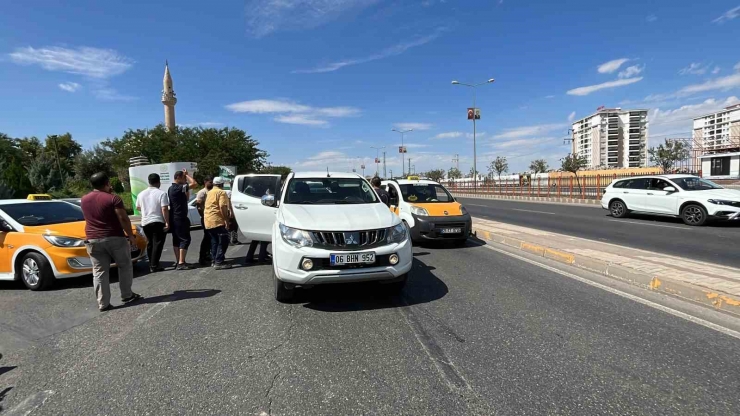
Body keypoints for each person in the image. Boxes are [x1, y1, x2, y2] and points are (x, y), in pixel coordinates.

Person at [81, 172, 142, 312]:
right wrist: (131, 236)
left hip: (92, 239)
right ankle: (127, 295)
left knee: (99, 272)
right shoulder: (113, 198)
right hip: (114, 237)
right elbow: (123, 218)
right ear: (107, 183)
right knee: (125, 265)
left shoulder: (84, 199)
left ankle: (103, 303)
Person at [135, 173, 170, 272]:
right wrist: (167, 222)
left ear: (149, 182)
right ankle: (154, 265)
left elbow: (138, 207)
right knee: (158, 243)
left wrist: (146, 210)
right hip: (157, 220)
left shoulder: (141, 194)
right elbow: (164, 209)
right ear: (159, 182)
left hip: (145, 221)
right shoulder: (161, 193)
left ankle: (152, 263)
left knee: (150, 243)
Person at [168, 168, 197, 270]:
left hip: (174, 217)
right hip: (180, 217)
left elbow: (187, 198)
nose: (185, 179)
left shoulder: (172, 188)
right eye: (183, 178)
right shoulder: (178, 188)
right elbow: (194, 183)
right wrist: (187, 175)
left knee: (176, 240)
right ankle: (181, 262)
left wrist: (185, 182)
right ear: (179, 177)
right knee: (185, 239)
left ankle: (179, 261)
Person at [204, 176, 232, 269]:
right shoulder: (221, 192)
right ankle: (219, 261)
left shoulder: (210, 192)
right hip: (217, 220)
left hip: (208, 220)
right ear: (222, 184)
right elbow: (222, 207)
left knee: (214, 241)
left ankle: (214, 260)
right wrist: (226, 220)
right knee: (224, 240)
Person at [195, 176, 213, 266]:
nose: (211, 183)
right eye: (210, 182)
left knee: (210, 237)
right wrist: (203, 215)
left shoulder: (211, 191)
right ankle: (202, 257)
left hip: (211, 217)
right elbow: (198, 205)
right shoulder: (202, 192)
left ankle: (207, 254)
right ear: (205, 182)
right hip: (205, 217)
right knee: (207, 237)